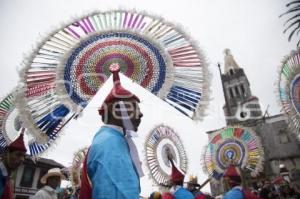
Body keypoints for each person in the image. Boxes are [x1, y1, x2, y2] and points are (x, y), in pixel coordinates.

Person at [80, 63, 144, 199]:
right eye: (135, 108)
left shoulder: (110, 140)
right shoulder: (111, 144)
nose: (140, 114)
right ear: (117, 111)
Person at [0, 131, 26, 199]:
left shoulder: (8, 178)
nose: (22, 159)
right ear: (6, 154)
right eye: (18, 154)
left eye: (24, 156)